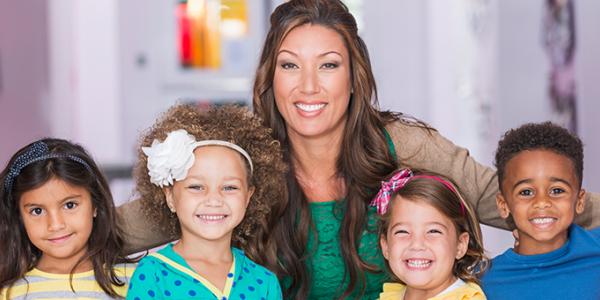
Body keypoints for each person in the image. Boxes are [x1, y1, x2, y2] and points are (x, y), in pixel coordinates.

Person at [117, 1, 600, 298]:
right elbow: (120, 228)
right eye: (290, 66)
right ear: (269, 78)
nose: (308, 87)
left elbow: (522, 202)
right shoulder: (237, 163)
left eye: (328, 65)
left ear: (354, 76)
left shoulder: (403, 145)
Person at [126, 104, 285, 300]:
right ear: (170, 197)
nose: (214, 199)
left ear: (248, 197)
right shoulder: (152, 274)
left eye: (229, 187)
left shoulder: (265, 282)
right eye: (196, 187)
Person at [0, 138, 135, 299]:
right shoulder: (9, 292)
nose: (55, 225)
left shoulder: (138, 279)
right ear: (19, 216)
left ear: (95, 204)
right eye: (37, 211)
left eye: (70, 205)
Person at [481, 122, 600, 299]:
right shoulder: (484, 282)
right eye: (526, 192)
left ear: (580, 200)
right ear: (503, 204)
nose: (542, 202)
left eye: (557, 190)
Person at [376, 169, 487, 300]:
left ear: (460, 245)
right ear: (385, 246)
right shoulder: (389, 296)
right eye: (402, 231)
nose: (417, 245)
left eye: (433, 231)